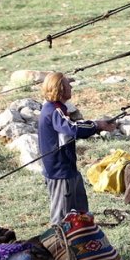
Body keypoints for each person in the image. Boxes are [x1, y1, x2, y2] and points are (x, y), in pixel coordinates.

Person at [38, 71, 116, 225]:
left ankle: (83, 239)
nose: (71, 88)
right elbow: (72, 128)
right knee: (60, 219)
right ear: (59, 89)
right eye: (68, 85)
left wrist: (97, 127)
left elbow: (73, 129)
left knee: (81, 213)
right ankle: (59, 245)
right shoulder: (54, 110)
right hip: (60, 171)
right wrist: (97, 124)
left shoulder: (57, 108)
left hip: (68, 169)